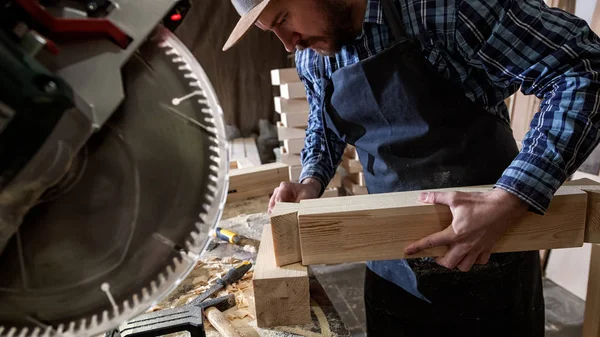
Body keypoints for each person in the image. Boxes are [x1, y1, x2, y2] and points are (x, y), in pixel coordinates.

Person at [223, 0, 600, 336]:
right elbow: (325, 126)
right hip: (392, 267)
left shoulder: (440, 8)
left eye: (284, 18)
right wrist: (310, 179)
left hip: (490, 254)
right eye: (271, 31)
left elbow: (583, 69)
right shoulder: (314, 54)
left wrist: (512, 196)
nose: (288, 43)